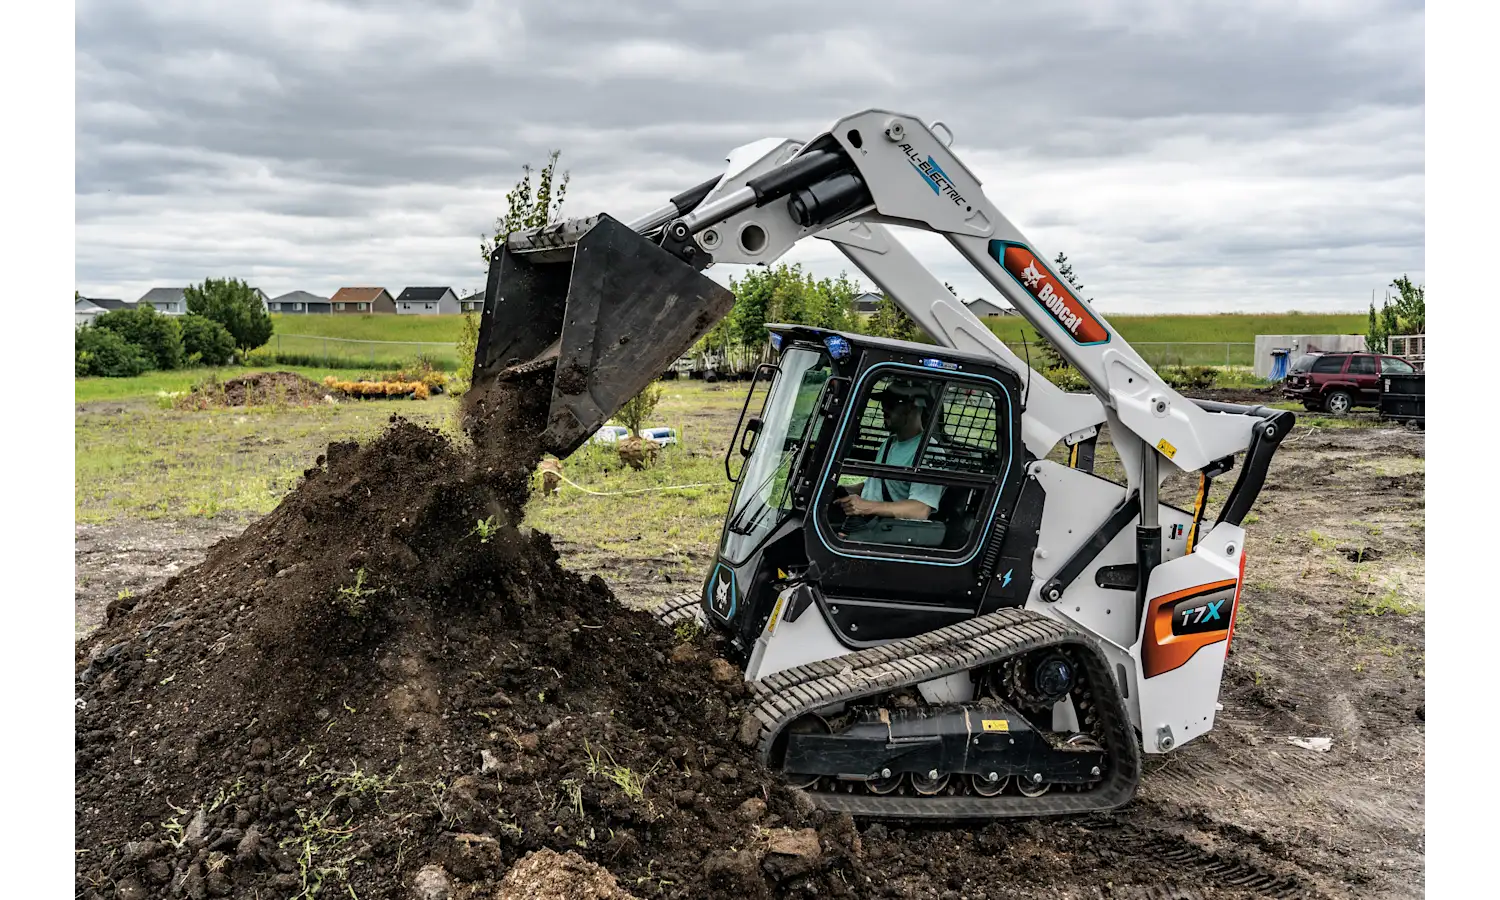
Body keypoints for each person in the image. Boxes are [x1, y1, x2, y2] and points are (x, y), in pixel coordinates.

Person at [835, 381, 944, 522]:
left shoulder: (928, 451)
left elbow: (920, 509)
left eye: (891, 404)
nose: (884, 409)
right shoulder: (889, 443)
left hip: (890, 530)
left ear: (913, 407)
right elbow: (878, 487)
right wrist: (844, 490)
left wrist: (867, 507)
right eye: (883, 403)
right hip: (868, 523)